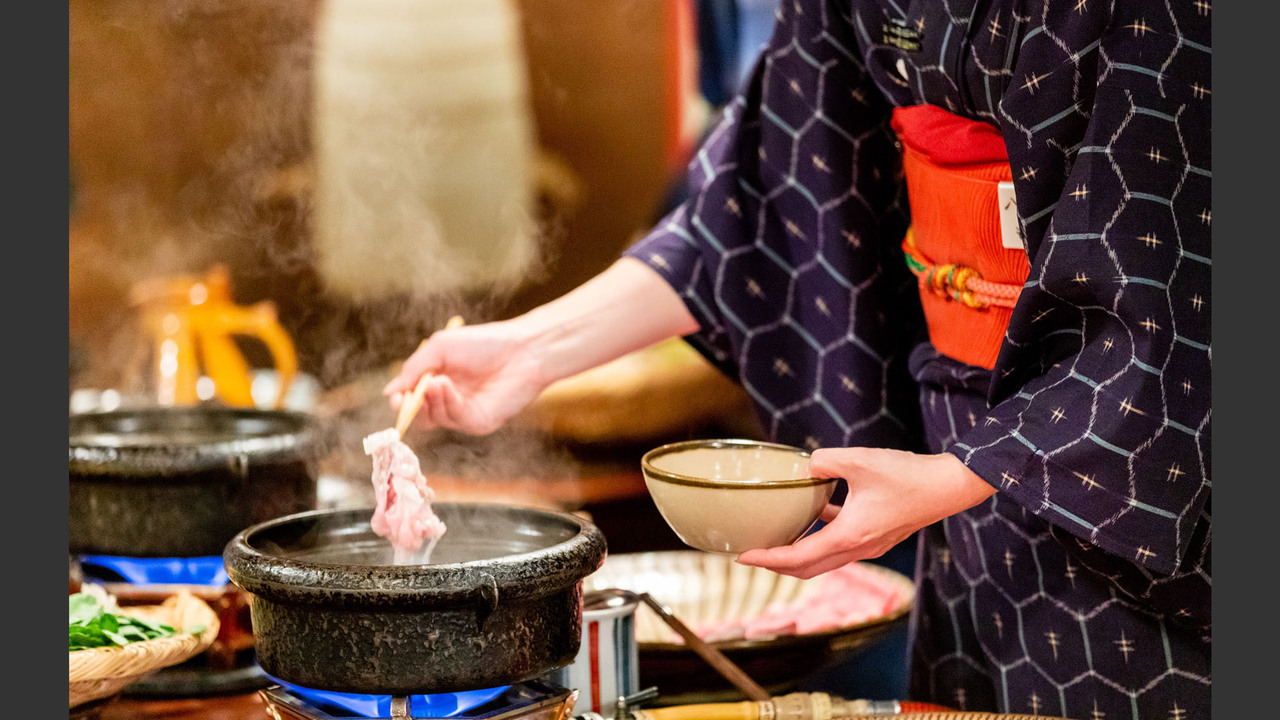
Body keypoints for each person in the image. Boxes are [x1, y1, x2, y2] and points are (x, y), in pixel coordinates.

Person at [383, 0, 1211, 717]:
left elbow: (1192, 276)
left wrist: (956, 476)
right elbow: (774, 196)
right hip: (962, 451)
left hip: (1143, 478)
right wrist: (531, 350)